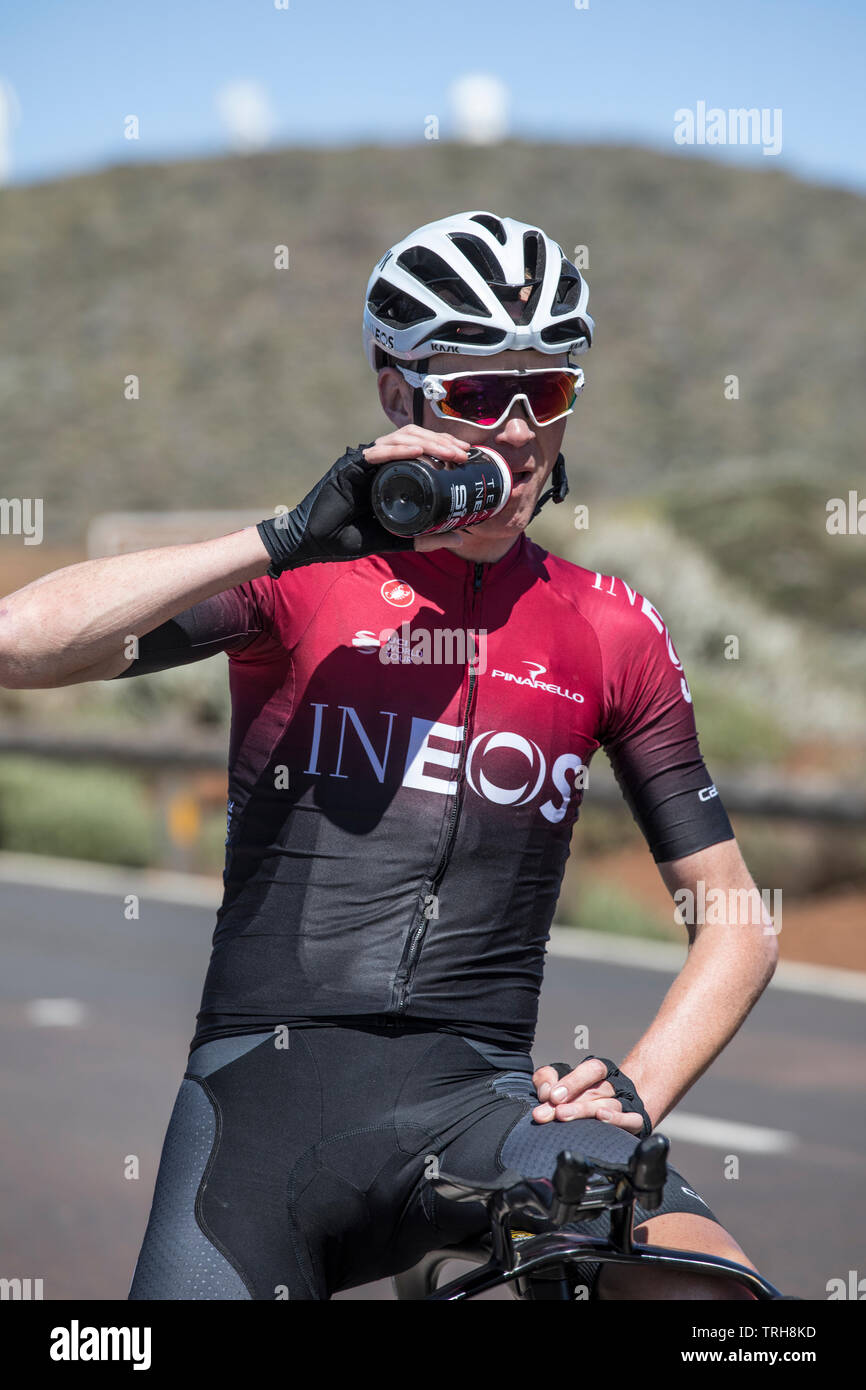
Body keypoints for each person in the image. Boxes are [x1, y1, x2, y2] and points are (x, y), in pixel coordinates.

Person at [0, 210, 778, 1301]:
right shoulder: (300, 578)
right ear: (394, 394)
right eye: (470, 394)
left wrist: (637, 1093)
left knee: (717, 1301)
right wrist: (282, 535)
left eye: (544, 392)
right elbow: (17, 647)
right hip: (257, 1118)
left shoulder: (606, 627)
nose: (512, 433)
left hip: (484, 1115)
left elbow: (735, 919)